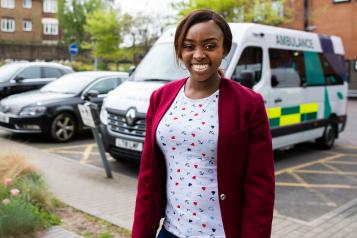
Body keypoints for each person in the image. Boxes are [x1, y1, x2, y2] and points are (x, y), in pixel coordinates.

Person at [132, 9, 275, 238]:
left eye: (209, 46)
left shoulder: (249, 104)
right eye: (189, 46)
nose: (199, 54)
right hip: (170, 232)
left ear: (224, 48)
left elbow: (260, 188)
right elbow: (148, 178)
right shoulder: (160, 98)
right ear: (180, 50)